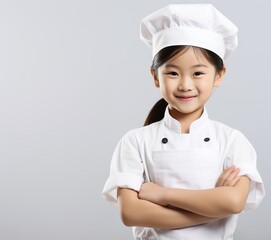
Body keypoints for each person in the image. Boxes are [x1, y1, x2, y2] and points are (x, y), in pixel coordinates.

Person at [102, 4, 265, 240]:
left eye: (198, 73)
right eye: (173, 73)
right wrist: (212, 209)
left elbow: (233, 200)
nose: (185, 85)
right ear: (155, 77)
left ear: (219, 75)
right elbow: (130, 212)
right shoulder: (135, 141)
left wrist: (163, 195)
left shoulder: (231, 140)